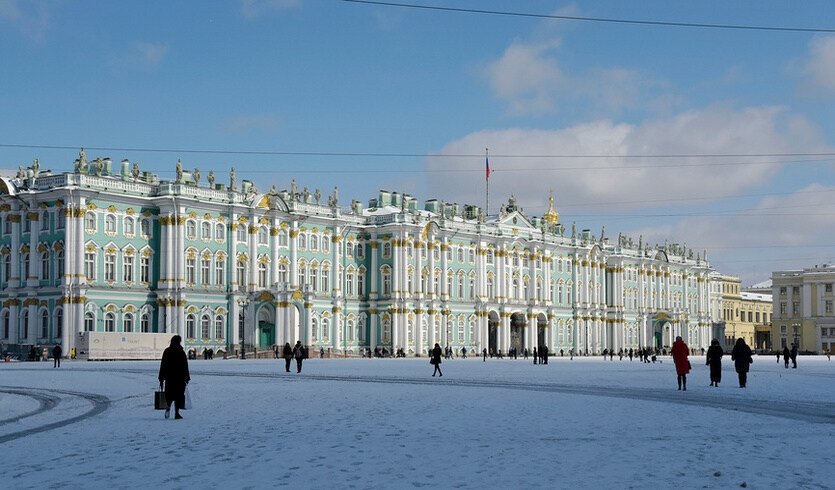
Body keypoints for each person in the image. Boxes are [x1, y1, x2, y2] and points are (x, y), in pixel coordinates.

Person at [158, 335, 190, 420]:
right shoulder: (181, 351)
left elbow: (163, 365)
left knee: (169, 395)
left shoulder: (167, 351)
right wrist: (187, 377)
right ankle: (177, 413)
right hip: (179, 378)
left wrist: (161, 378)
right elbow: (185, 365)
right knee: (178, 396)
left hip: (170, 377)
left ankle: (168, 406)